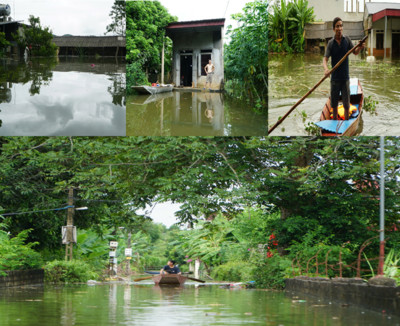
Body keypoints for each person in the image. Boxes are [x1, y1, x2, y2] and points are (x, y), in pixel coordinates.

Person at [323, 17, 364, 120]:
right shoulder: (331, 43)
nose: (339, 28)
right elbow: (325, 59)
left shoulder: (347, 40)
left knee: (346, 105)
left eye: (341, 26)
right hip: (335, 79)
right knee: (334, 105)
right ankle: (335, 123)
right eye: (337, 26)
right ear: (334, 29)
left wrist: (360, 47)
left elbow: (355, 52)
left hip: (345, 78)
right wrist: (326, 69)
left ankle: (346, 122)